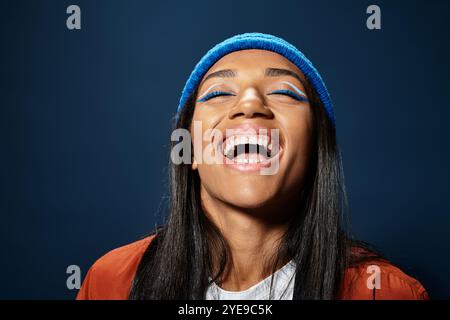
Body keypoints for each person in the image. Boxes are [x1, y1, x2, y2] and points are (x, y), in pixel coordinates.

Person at [77, 33, 429, 300]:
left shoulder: (383, 291)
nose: (249, 103)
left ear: (315, 149)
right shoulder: (110, 282)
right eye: (218, 94)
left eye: (285, 93)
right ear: (191, 151)